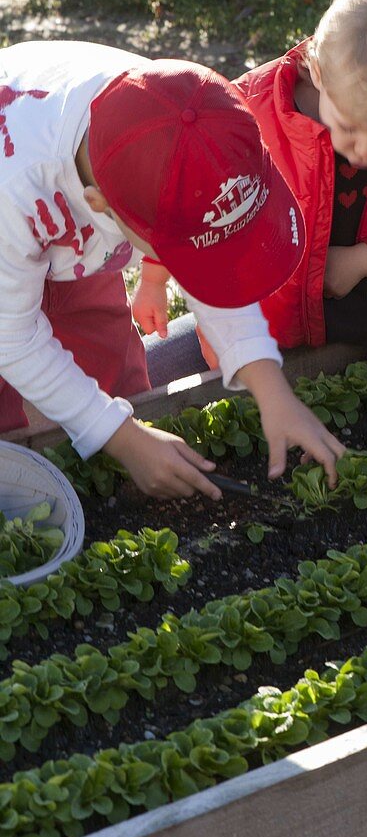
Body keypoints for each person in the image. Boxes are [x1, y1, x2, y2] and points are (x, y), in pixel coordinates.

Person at [0, 40, 344, 500]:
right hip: (13, 218)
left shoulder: (181, 116)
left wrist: (271, 389)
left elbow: (213, 263)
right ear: (103, 210)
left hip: (65, 222)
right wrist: (120, 438)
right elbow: (12, 336)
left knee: (111, 376)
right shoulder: (15, 192)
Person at [134, 0, 367, 356]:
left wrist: (364, 260)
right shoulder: (244, 114)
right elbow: (184, 200)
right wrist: (154, 277)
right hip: (259, 333)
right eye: (350, 127)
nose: (365, 153)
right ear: (317, 72)